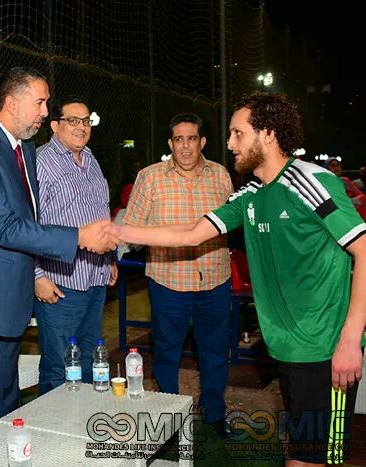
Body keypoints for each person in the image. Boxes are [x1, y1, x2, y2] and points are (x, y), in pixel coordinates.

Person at [104, 92, 366, 466]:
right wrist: (117, 232)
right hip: (288, 349)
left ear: (268, 134)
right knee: (301, 454)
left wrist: (351, 339)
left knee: (322, 457)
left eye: (238, 133)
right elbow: (192, 233)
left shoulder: (311, 182)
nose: (229, 143)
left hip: (325, 349)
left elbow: (364, 250)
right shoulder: (251, 193)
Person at [0, 67, 116, 437]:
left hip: (10, 299)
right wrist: (78, 238)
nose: (44, 112)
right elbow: (5, 227)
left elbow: (30, 217)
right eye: (39, 103)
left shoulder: (21, 148)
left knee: (4, 406)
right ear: (12, 103)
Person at [124, 112, 233, 434]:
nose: (185, 146)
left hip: (214, 280)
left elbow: (230, 224)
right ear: (170, 143)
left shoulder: (221, 175)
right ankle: (171, 417)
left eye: (192, 138)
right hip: (168, 282)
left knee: (215, 352)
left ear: (202, 142)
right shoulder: (150, 177)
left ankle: (214, 414)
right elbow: (132, 230)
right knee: (167, 352)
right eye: (179, 139)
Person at [33, 96, 118, 394]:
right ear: (55, 125)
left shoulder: (91, 160)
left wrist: (110, 259)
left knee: (89, 362)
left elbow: (100, 213)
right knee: (58, 367)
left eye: (86, 121)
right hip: (60, 283)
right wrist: (36, 275)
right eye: (73, 120)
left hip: (95, 279)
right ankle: (54, 423)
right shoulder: (42, 162)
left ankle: (82, 420)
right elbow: (28, 224)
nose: (82, 127)